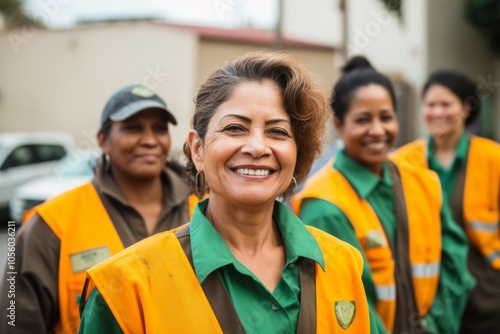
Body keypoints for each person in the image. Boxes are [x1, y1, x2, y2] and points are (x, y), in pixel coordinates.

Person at [78, 51, 377, 333]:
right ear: (198, 149)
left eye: (277, 132)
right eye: (235, 128)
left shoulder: (343, 263)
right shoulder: (125, 286)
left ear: (298, 153)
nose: (258, 147)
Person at [293, 56, 475, 334]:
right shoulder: (325, 205)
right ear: (339, 125)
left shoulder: (423, 181)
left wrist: (438, 326)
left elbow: (454, 264)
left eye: (386, 117)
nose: (377, 130)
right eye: (363, 120)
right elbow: (346, 305)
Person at [0, 84, 193, 334]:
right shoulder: (51, 224)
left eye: (159, 128)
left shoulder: (204, 209)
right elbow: (15, 323)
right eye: (133, 128)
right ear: (103, 140)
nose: (150, 140)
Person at [392, 69, 500, 334]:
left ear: (466, 108)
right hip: (426, 299)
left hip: (487, 299)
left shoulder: (493, 159)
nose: (437, 112)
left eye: (446, 104)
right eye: (430, 104)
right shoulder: (403, 162)